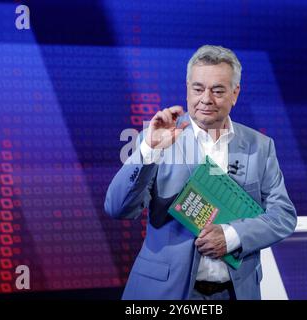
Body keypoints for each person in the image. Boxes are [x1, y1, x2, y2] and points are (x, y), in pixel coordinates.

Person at [104, 45, 297, 300]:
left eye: (217, 90)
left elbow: (283, 215)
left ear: (235, 93)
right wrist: (149, 151)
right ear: (187, 89)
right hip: (166, 293)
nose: (206, 98)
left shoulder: (259, 146)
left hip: (236, 292)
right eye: (198, 89)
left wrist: (232, 236)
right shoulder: (158, 138)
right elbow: (117, 208)